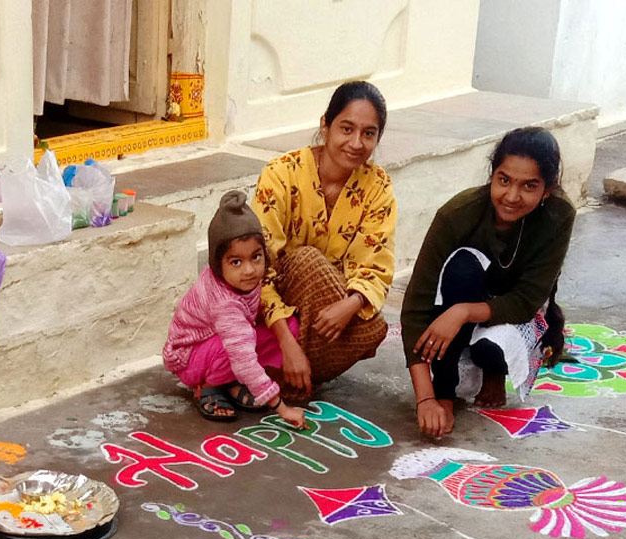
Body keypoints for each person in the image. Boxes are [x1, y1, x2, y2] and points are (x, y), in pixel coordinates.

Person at [400, 127, 574, 439]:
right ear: (492, 175)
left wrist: (464, 312)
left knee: (490, 350)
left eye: (529, 186)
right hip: (460, 294)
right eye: (504, 180)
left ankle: (495, 367)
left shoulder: (558, 216)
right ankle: (446, 389)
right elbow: (415, 309)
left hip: (514, 313)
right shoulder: (457, 214)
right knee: (463, 266)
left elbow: (527, 299)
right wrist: (428, 398)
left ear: (547, 189)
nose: (511, 196)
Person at [252, 80, 396, 400]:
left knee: (373, 328)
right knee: (307, 261)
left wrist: (351, 303)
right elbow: (256, 268)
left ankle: (287, 374)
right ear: (325, 125)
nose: (356, 143)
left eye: (368, 133)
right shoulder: (281, 174)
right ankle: (287, 360)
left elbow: (377, 262)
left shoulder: (377, 185)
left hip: (329, 317)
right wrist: (289, 342)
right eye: (346, 128)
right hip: (273, 312)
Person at [163, 190, 306, 428]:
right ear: (218, 264)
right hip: (188, 359)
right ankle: (207, 387)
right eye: (236, 262)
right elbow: (242, 357)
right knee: (240, 344)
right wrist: (281, 407)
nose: (249, 270)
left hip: (218, 343)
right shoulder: (224, 303)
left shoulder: (241, 281)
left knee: (287, 326)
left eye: (256, 257)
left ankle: (229, 381)